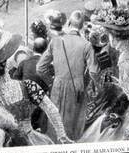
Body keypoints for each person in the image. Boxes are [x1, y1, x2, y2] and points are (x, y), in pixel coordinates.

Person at [0, 23, 73, 146]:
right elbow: (52, 110)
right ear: (5, 64)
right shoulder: (27, 86)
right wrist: (62, 136)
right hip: (31, 140)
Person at [37, 10, 99, 140]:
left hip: (58, 85)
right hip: (78, 86)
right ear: (81, 26)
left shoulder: (56, 41)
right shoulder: (86, 45)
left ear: (69, 23)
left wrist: (51, 80)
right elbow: (94, 71)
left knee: (55, 122)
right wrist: (93, 85)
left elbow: (40, 68)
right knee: (74, 125)